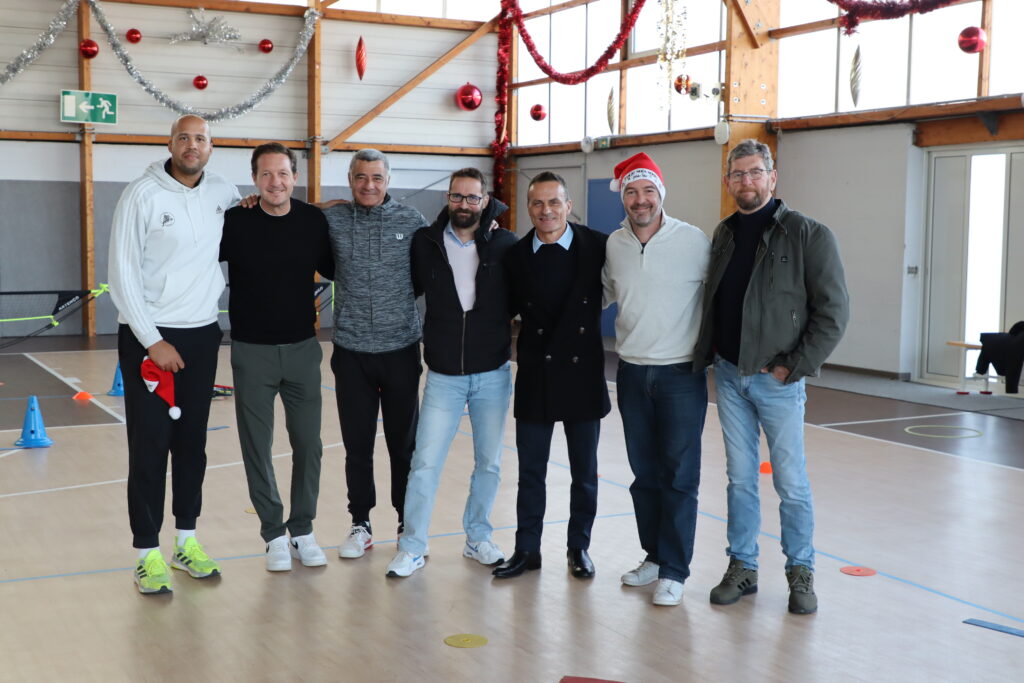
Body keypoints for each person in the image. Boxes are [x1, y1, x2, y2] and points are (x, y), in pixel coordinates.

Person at [694, 139, 849, 615]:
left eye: (755, 172)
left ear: (772, 177)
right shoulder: (723, 234)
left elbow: (834, 313)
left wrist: (792, 366)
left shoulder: (808, 234)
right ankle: (742, 565)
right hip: (729, 376)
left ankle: (801, 571)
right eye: (738, 174)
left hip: (777, 382)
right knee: (740, 480)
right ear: (728, 182)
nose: (747, 181)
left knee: (791, 482)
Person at [109, 115, 240, 594]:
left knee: (191, 445)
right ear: (170, 144)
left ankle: (187, 542)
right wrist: (152, 340)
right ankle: (147, 552)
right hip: (149, 337)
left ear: (211, 147)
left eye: (200, 138)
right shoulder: (140, 195)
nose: (192, 145)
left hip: (202, 335)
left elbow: (254, 213)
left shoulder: (222, 191)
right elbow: (121, 274)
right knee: (149, 445)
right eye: (184, 137)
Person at [385, 168, 517, 578]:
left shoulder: (505, 243)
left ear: (484, 200)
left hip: (493, 374)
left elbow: (521, 298)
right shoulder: (425, 243)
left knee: (489, 463)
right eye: (457, 196)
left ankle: (478, 537)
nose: (464, 204)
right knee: (425, 462)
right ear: (448, 198)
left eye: (472, 197)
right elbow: (406, 288)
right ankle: (412, 546)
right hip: (443, 376)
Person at [602, 153, 710, 606]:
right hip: (630, 372)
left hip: (680, 375)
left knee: (679, 476)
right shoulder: (614, 244)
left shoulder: (694, 241)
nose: (640, 199)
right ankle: (654, 556)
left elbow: (721, 295)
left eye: (648, 190)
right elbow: (599, 294)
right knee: (644, 475)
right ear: (623, 198)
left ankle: (675, 570)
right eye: (631, 191)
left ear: (661, 194)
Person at [220, 143, 334, 572]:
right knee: (257, 446)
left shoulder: (312, 221)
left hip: (302, 350)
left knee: (309, 444)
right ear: (254, 179)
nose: (275, 182)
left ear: (295, 177)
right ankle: (273, 534)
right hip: (252, 353)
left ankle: (302, 529)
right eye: (266, 174)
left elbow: (337, 262)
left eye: (283, 173)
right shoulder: (236, 221)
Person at [493, 172, 609, 580]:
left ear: (568, 205)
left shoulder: (598, 246)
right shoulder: (515, 256)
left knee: (585, 474)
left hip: (583, 373)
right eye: (538, 203)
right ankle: (527, 549)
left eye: (554, 202)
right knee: (530, 473)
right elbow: (503, 308)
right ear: (528, 208)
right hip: (536, 373)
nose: (546, 211)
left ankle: (579, 548)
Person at [325, 149, 428, 559]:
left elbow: (426, 272)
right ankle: (360, 523)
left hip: (400, 349)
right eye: (361, 177)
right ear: (350, 179)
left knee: (404, 445)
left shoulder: (412, 221)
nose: (369, 185)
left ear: (389, 180)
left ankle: (406, 522)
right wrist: (319, 205)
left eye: (377, 178)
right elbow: (292, 214)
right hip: (352, 353)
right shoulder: (333, 220)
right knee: (358, 445)